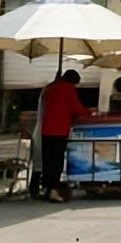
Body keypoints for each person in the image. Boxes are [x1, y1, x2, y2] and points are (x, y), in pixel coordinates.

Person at [38, 69, 91, 202]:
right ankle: (54, 191)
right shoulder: (68, 90)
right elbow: (76, 108)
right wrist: (88, 112)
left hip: (46, 130)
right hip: (59, 131)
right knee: (57, 162)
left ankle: (46, 189)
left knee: (48, 161)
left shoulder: (50, 89)